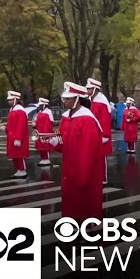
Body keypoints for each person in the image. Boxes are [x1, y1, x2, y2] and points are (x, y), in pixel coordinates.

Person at [49, 82, 104, 220]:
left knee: (86, 201)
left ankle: (89, 229)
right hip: (70, 167)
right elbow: (63, 143)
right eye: (64, 98)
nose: (65, 101)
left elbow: (88, 151)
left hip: (84, 169)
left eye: (68, 98)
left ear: (78, 99)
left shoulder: (87, 120)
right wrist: (56, 142)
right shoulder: (66, 117)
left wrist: (83, 175)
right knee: (70, 199)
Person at [86, 78, 113, 184]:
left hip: (101, 134)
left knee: (101, 157)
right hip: (94, 133)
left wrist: (105, 135)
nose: (87, 91)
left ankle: (103, 178)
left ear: (95, 89)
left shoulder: (101, 102)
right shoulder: (93, 100)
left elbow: (105, 120)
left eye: (89, 89)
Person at [4, 90, 30, 178]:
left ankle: (22, 170)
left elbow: (21, 126)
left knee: (20, 155)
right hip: (12, 136)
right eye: (9, 100)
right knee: (14, 155)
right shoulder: (12, 110)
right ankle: (18, 169)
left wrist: (18, 138)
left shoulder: (20, 111)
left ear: (16, 100)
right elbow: (12, 124)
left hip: (18, 137)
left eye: (11, 100)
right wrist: (6, 128)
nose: (9, 102)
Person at [33, 97, 54, 166]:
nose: (39, 107)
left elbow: (48, 124)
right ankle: (43, 158)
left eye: (41, 105)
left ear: (44, 105)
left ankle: (46, 159)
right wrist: (35, 125)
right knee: (40, 147)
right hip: (39, 132)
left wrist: (45, 134)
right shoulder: (39, 112)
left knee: (45, 146)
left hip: (44, 133)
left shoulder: (48, 112)